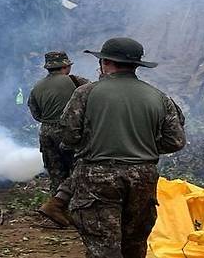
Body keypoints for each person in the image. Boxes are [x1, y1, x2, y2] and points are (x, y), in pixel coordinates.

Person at [60, 37, 186, 258]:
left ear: (105, 62)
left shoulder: (85, 93)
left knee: (103, 247)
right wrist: (142, 145)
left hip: (97, 176)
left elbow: (69, 136)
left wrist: (95, 141)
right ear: (136, 65)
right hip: (143, 176)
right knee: (134, 244)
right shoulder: (159, 97)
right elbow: (175, 141)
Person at [27, 51, 89, 226]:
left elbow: (35, 112)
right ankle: (77, 211)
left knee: (56, 172)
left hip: (46, 132)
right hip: (69, 130)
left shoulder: (37, 86)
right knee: (78, 169)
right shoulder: (77, 82)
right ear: (65, 66)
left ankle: (58, 212)